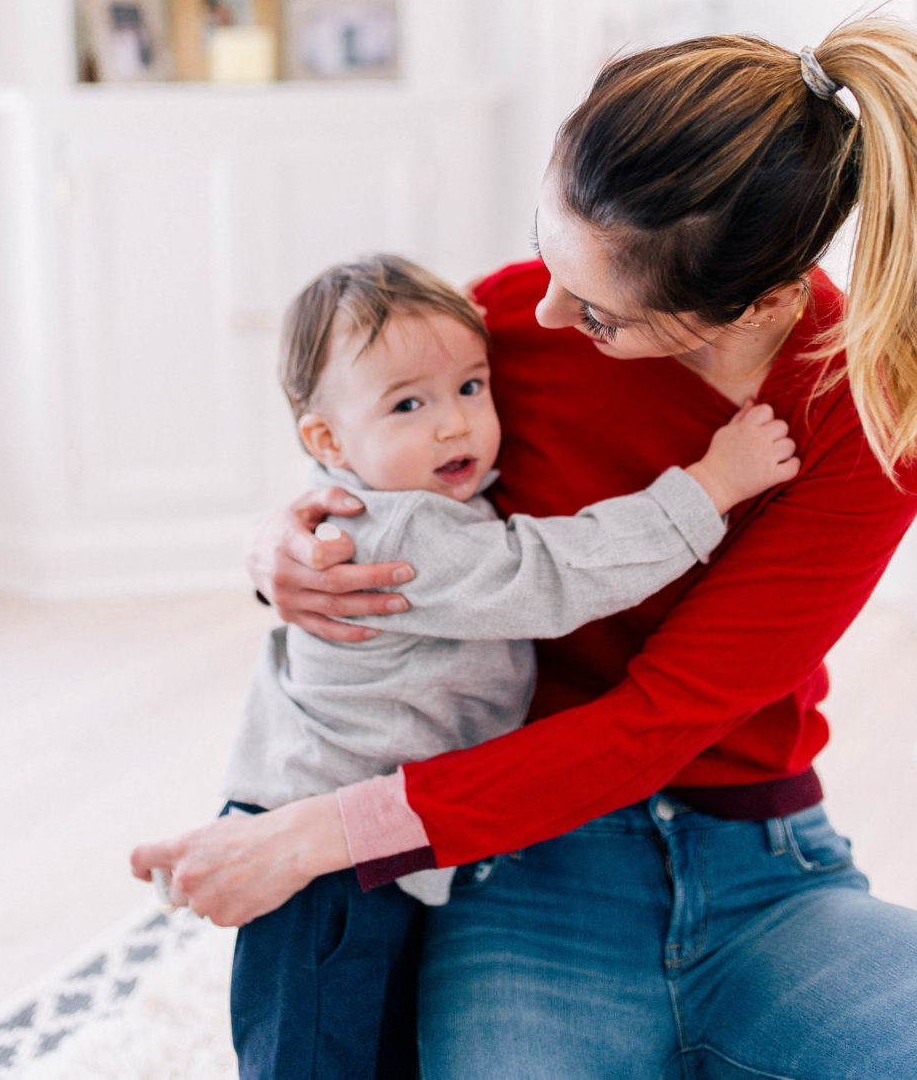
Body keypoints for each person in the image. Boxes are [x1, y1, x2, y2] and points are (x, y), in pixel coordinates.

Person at [133, 19, 917, 1079]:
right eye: (545, 252)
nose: (538, 311)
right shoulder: (514, 316)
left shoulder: (879, 418)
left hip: (760, 865)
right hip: (524, 857)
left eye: (595, 312)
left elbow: (660, 718)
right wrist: (276, 540)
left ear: (762, 303)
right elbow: (371, 433)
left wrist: (314, 837)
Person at [193, 252, 797, 1080]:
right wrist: (708, 487)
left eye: (471, 388)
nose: (454, 424)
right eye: (409, 404)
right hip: (321, 858)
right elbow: (550, 573)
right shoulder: (402, 534)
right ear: (329, 440)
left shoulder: (411, 495)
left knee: (388, 1041)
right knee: (317, 1055)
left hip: (382, 838)